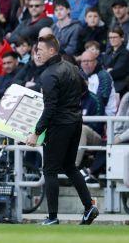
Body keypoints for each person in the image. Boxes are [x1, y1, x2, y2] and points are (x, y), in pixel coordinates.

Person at [26, 34, 99, 225]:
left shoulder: (49, 74)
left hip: (59, 125)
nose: (37, 54)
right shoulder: (72, 67)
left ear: (52, 51)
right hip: (75, 123)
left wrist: (36, 132)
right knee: (69, 167)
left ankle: (52, 217)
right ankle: (88, 206)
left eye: (40, 50)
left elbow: (50, 108)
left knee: (49, 170)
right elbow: (84, 89)